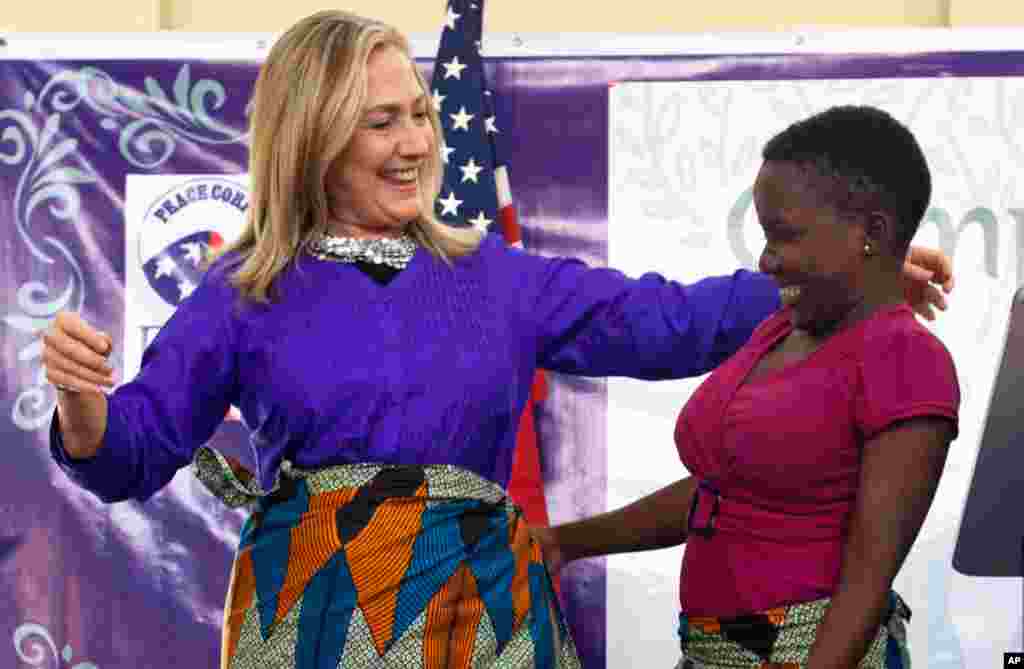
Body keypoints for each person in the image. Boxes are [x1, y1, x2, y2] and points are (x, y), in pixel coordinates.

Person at [40, 10, 952, 668]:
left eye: (423, 113)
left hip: (479, 617)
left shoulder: (495, 275)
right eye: (382, 120)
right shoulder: (242, 293)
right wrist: (84, 411)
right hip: (312, 622)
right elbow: (131, 452)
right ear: (312, 137)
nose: (415, 142)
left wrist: (839, 276)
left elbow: (666, 318)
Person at [533, 105, 959, 669]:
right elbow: (723, 492)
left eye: (785, 236)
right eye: (765, 234)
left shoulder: (908, 359)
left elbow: (864, 586)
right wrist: (567, 543)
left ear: (871, 232)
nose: (766, 258)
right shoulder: (779, 328)